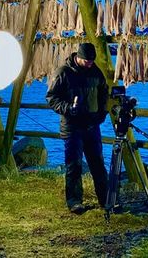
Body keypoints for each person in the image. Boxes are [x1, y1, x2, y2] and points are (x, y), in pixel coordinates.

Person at [45, 42, 109, 214]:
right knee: (74, 165)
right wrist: (68, 108)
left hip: (92, 125)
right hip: (72, 127)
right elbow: (51, 98)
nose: (90, 64)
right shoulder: (63, 73)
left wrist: (103, 112)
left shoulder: (96, 71)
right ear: (78, 57)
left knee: (98, 164)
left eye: (92, 61)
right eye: (87, 61)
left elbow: (104, 92)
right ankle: (74, 201)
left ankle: (106, 199)